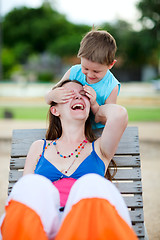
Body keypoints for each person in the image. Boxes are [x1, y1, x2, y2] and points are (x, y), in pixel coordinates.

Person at [0, 80, 137, 240]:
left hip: (85, 226)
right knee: (31, 184)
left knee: (92, 183)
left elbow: (119, 114)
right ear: (55, 110)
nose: (78, 98)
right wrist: (49, 96)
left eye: (83, 95)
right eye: (68, 95)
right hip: (43, 227)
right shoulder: (39, 147)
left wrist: (96, 108)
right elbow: (24, 195)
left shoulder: (99, 149)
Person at [45, 29, 120, 129]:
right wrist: (52, 95)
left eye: (96, 71)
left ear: (111, 64)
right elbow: (49, 96)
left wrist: (94, 103)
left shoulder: (111, 86)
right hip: (70, 127)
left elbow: (106, 119)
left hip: (95, 132)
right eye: (85, 68)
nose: (89, 74)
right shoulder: (74, 72)